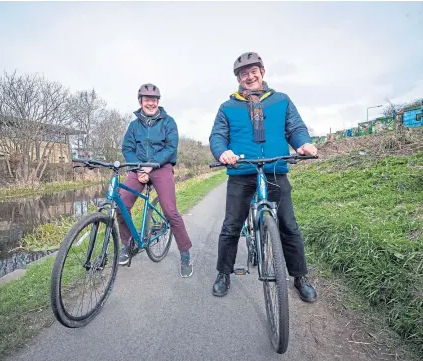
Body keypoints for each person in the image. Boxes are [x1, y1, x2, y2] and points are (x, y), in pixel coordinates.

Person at [209, 52, 318, 302]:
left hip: (275, 168)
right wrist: (223, 151)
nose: (249, 77)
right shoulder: (227, 106)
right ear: (238, 78)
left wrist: (304, 144)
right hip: (242, 171)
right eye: (243, 73)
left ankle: (300, 277)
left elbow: (296, 128)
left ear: (263, 72)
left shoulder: (281, 100)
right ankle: (223, 274)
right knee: (231, 226)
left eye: (253, 71)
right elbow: (217, 135)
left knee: (289, 225)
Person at [116, 83, 193, 278]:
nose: (150, 103)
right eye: (147, 99)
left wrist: (151, 166)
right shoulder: (134, 126)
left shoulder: (168, 122)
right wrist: (138, 167)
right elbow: (127, 148)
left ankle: (185, 254)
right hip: (138, 168)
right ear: (140, 101)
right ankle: (127, 244)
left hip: (161, 167)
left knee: (170, 210)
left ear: (158, 102)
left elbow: (171, 147)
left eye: (154, 100)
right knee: (121, 205)